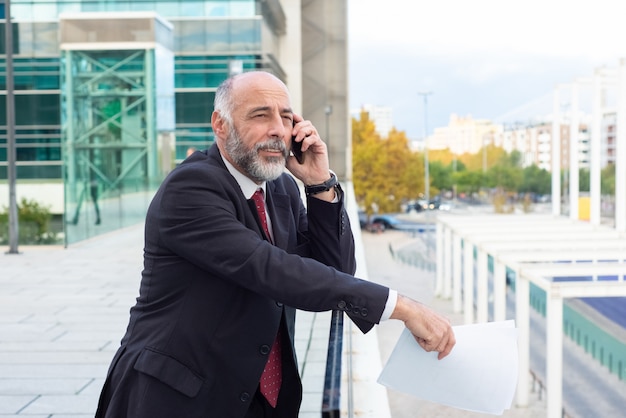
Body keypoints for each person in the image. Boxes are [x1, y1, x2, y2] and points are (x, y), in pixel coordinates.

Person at [95, 71, 455, 418]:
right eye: (260, 115)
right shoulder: (190, 188)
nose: (278, 130)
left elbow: (334, 271)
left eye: (286, 117)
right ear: (221, 125)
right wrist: (401, 307)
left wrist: (319, 185)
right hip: (177, 398)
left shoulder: (280, 187)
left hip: (259, 397)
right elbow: (271, 270)